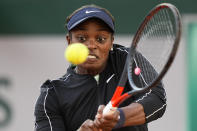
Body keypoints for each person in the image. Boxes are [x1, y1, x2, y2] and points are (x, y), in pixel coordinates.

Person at [34, 4, 167, 131]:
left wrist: (119, 116)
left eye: (101, 39)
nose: (91, 45)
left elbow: (156, 98)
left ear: (111, 42)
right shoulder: (52, 94)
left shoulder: (127, 60)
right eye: (81, 38)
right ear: (69, 41)